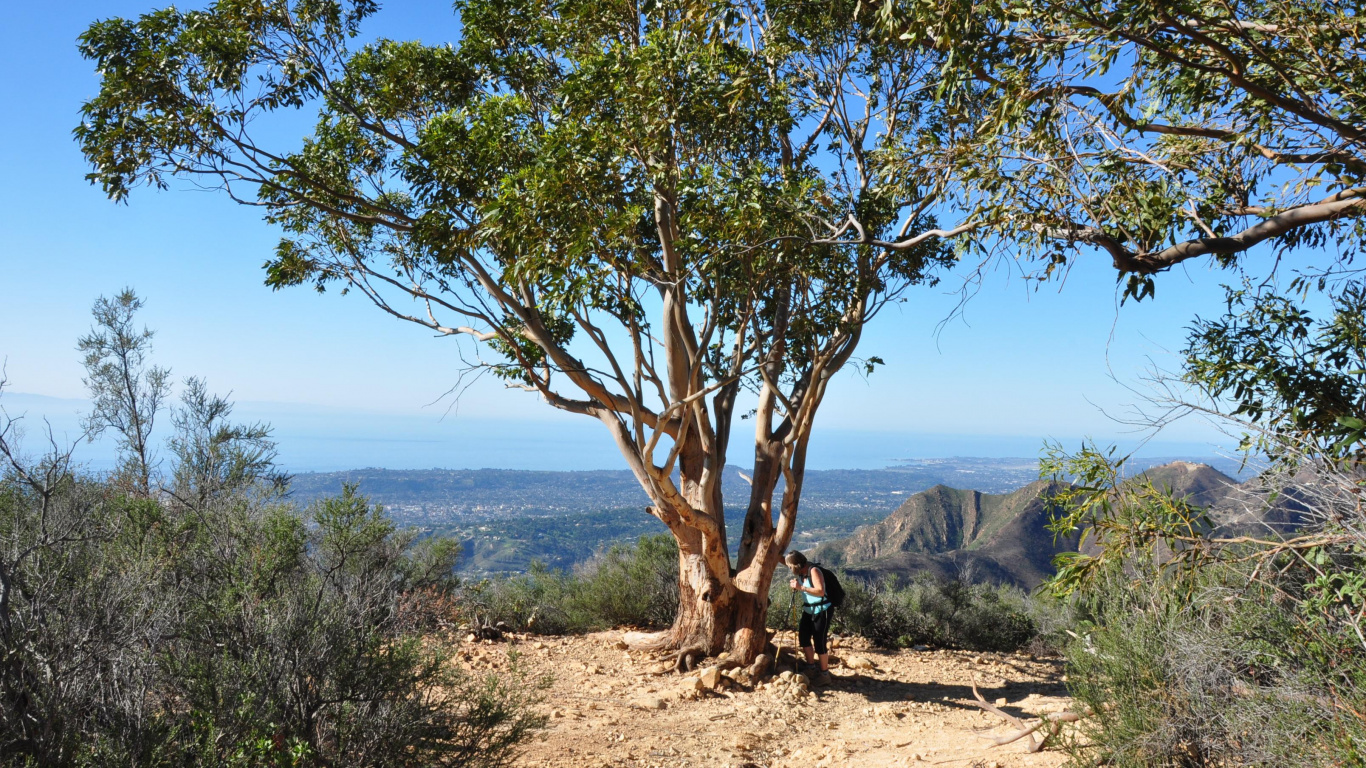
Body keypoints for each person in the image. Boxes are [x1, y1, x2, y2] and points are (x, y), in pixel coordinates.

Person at [784, 550, 833, 684]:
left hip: (822, 610)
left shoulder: (814, 571)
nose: (789, 569)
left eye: (790, 566)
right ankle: (811, 667)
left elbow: (820, 591)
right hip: (808, 610)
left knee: (819, 642)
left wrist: (801, 587)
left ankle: (825, 675)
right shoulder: (801, 573)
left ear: (796, 565)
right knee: (804, 638)